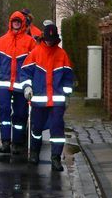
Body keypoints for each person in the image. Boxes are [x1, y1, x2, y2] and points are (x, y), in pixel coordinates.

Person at [20, 23, 74, 171]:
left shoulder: (62, 54)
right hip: (39, 100)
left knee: (57, 130)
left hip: (57, 101)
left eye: (52, 39)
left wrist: (66, 94)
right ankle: (35, 153)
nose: (50, 42)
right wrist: (27, 87)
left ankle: (56, 158)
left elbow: (68, 77)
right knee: (36, 128)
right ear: (44, 38)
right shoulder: (36, 53)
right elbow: (25, 73)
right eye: (48, 39)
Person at [0, 10, 36, 154]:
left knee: (20, 114)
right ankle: (5, 141)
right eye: (14, 21)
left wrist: (31, 83)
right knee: (4, 112)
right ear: (10, 22)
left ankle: (18, 142)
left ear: (22, 23)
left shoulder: (30, 42)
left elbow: (34, 63)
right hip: (4, 83)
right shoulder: (2, 41)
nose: (16, 24)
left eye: (18, 21)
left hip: (21, 84)